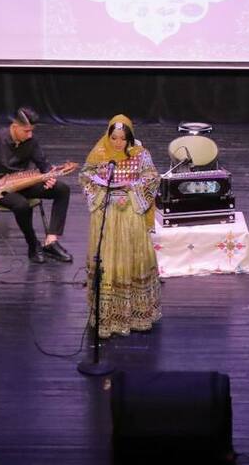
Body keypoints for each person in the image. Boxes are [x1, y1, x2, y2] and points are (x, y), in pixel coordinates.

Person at [79, 114, 161, 339]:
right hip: (106, 212)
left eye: (122, 139)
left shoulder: (141, 154)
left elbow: (152, 178)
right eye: (114, 138)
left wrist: (131, 190)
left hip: (130, 213)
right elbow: (85, 176)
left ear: (129, 138)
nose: (117, 143)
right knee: (106, 260)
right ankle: (106, 316)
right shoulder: (100, 153)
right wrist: (102, 189)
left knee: (132, 258)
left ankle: (135, 315)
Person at [0, 107, 73, 264]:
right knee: (21, 205)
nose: (30, 135)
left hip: (23, 183)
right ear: (15, 126)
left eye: (32, 131)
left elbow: (43, 164)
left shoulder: (31, 142)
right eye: (26, 131)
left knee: (62, 190)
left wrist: (49, 176)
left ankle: (51, 242)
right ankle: (33, 245)